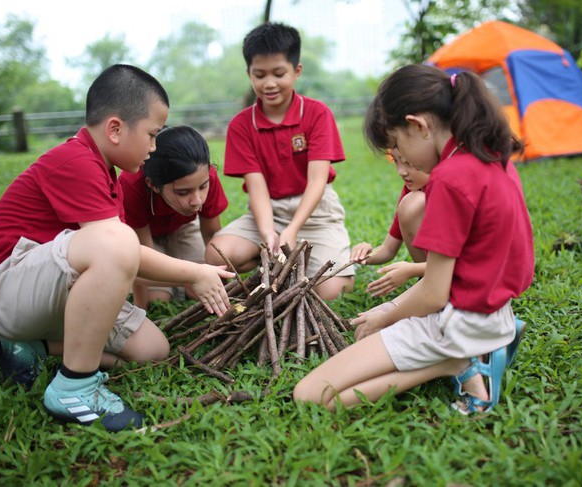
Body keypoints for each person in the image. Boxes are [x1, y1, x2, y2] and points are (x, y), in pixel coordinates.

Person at [0, 64, 233, 432]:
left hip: (46, 290)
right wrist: (195, 272)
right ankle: (75, 386)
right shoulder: (75, 161)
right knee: (119, 239)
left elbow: (123, 260)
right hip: (1, 288)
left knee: (152, 350)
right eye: (152, 135)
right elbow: (120, 249)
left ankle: (32, 346)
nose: (155, 147)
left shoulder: (106, 172)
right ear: (115, 129)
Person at [294, 65, 534, 414]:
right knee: (376, 331)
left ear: (418, 126)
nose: (400, 159)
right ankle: (461, 353)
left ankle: (452, 363)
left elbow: (434, 294)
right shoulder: (489, 154)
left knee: (311, 396)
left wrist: (388, 317)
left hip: (456, 321)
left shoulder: (450, 178)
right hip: (494, 310)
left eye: (396, 145)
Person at [204, 22, 354, 300]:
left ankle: (302, 261)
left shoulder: (317, 113)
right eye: (259, 75)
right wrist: (268, 231)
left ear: (296, 71)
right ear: (248, 73)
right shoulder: (241, 125)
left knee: (334, 293)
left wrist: (293, 229)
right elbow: (257, 187)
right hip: (267, 209)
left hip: (316, 210)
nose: (269, 83)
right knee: (216, 254)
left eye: (278, 73)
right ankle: (274, 261)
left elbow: (317, 180)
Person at [120, 125, 229, 308]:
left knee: (203, 284)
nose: (197, 201)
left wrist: (221, 283)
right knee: (158, 298)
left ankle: (181, 285)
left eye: (203, 187)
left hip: (183, 228)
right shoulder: (131, 185)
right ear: (153, 185)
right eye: (183, 192)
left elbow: (211, 235)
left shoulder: (207, 176)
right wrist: (142, 308)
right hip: (146, 239)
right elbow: (144, 257)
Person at [350, 147, 430, 297]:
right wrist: (364, 254)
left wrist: (413, 270)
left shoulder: (450, 189)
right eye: (396, 161)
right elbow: (388, 249)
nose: (401, 171)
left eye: (409, 163)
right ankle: (427, 282)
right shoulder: (413, 190)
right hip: (435, 272)